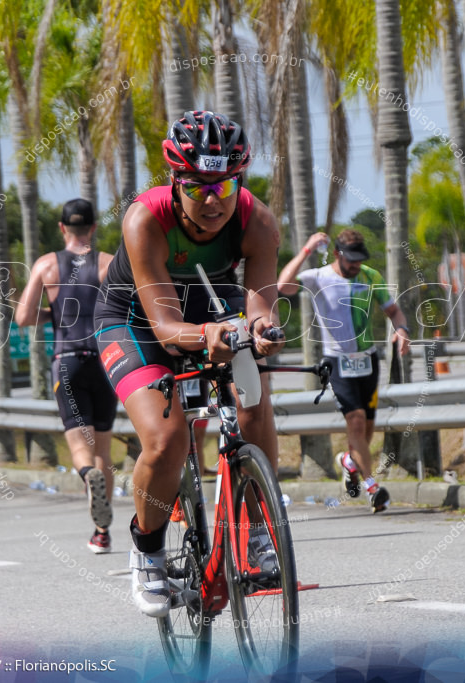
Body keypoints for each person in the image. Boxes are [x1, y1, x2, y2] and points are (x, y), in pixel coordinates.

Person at [94, 110, 284, 617]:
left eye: (224, 186)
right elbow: (164, 328)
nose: (212, 201)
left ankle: (262, 531)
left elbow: (260, 304)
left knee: (254, 402)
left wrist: (260, 332)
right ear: (175, 180)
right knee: (168, 438)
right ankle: (148, 550)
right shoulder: (144, 218)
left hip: (210, 306)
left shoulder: (257, 220)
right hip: (134, 320)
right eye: (197, 186)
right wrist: (208, 336)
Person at [278, 230, 411, 513]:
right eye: (350, 260)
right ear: (338, 254)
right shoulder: (319, 277)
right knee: (357, 421)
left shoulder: (370, 276)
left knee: (367, 428)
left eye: (359, 259)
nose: (355, 265)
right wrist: (305, 251)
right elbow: (283, 285)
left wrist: (402, 330)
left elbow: (394, 312)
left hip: (368, 361)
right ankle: (372, 487)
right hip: (337, 361)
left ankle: (350, 462)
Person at [16, 198, 117, 554]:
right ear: (92, 228)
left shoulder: (46, 265)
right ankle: (102, 532)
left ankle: (85, 474)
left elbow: (24, 317)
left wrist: (55, 313)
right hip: (104, 360)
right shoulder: (107, 264)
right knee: (102, 445)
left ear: (62, 228)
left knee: (80, 445)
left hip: (67, 360)